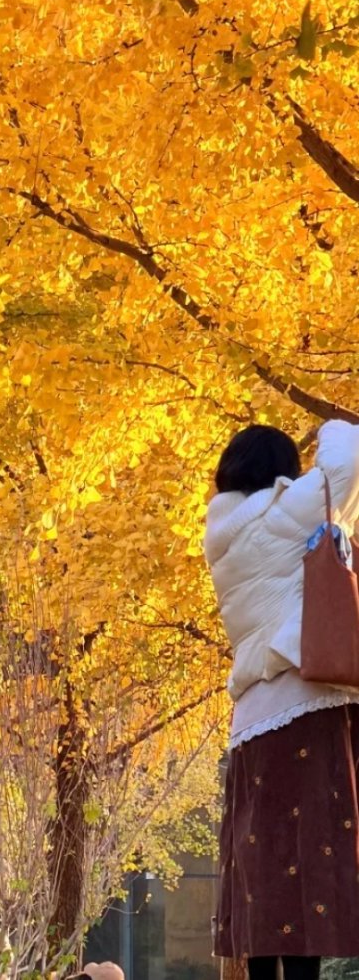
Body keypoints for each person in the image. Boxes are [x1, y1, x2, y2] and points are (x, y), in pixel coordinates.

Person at [205, 419, 359, 980]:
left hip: (252, 721)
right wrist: (327, 425)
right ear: (280, 474)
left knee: (266, 878)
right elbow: (349, 456)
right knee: (312, 869)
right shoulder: (283, 514)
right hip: (308, 703)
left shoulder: (221, 537)